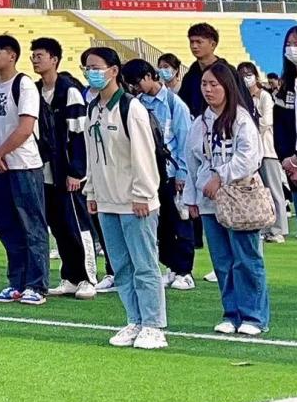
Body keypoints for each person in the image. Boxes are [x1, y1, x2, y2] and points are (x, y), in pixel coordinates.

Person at [82, 48, 167, 349]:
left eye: (96, 67)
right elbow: (92, 155)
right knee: (121, 266)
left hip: (135, 202)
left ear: (114, 70)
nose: (90, 72)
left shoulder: (131, 108)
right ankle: (135, 320)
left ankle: (153, 325)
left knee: (144, 264)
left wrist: (143, 194)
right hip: (107, 201)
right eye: (86, 67)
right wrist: (92, 191)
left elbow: (143, 155)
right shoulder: (93, 109)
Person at [184, 61, 269, 336]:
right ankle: (231, 313)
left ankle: (254, 316)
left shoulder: (241, 119)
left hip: (240, 199)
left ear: (227, 87)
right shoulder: (200, 123)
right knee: (222, 261)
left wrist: (220, 176)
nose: (208, 90)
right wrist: (191, 198)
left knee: (246, 258)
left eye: (214, 84)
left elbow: (249, 158)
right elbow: (191, 163)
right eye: (204, 84)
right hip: (210, 202)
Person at [0, 35, 49, 305]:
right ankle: (16, 282)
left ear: (12, 56)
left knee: (31, 225)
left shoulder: (24, 85)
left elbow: (25, 128)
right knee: (7, 226)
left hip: (23, 166)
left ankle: (37, 284)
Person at [30, 38, 97, 299]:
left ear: (54, 59)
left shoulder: (69, 91)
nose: (35, 60)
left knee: (77, 224)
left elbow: (79, 135)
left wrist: (76, 172)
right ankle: (70, 276)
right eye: (33, 56)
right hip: (45, 172)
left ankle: (88, 278)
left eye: (40, 55)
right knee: (58, 226)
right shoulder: (34, 90)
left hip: (68, 172)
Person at [122, 59, 195, 291]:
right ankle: (171, 267)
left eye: (137, 82)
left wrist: (183, 173)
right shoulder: (137, 103)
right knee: (161, 225)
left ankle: (185, 271)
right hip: (151, 173)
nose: (135, 88)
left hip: (173, 173)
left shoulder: (174, 104)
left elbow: (185, 141)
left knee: (180, 223)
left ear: (148, 76)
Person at [239, 61, 289, 244]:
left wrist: (248, 131)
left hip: (267, 150)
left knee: (274, 190)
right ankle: (264, 227)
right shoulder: (241, 98)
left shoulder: (264, 96)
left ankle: (279, 229)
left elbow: (267, 121)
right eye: (242, 74)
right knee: (256, 192)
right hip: (250, 153)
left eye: (248, 73)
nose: (246, 77)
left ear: (255, 75)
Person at [178, 23, 254, 118]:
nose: (194, 46)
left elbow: (244, 104)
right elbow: (182, 106)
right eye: (191, 42)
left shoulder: (229, 73)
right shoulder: (190, 75)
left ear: (213, 44)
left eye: (199, 42)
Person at [276, 26, 297, 238]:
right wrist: (289, 163)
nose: (293, 49)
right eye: (289, 45)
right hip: (294, 171)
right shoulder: (286, 89)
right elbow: (280, 129)